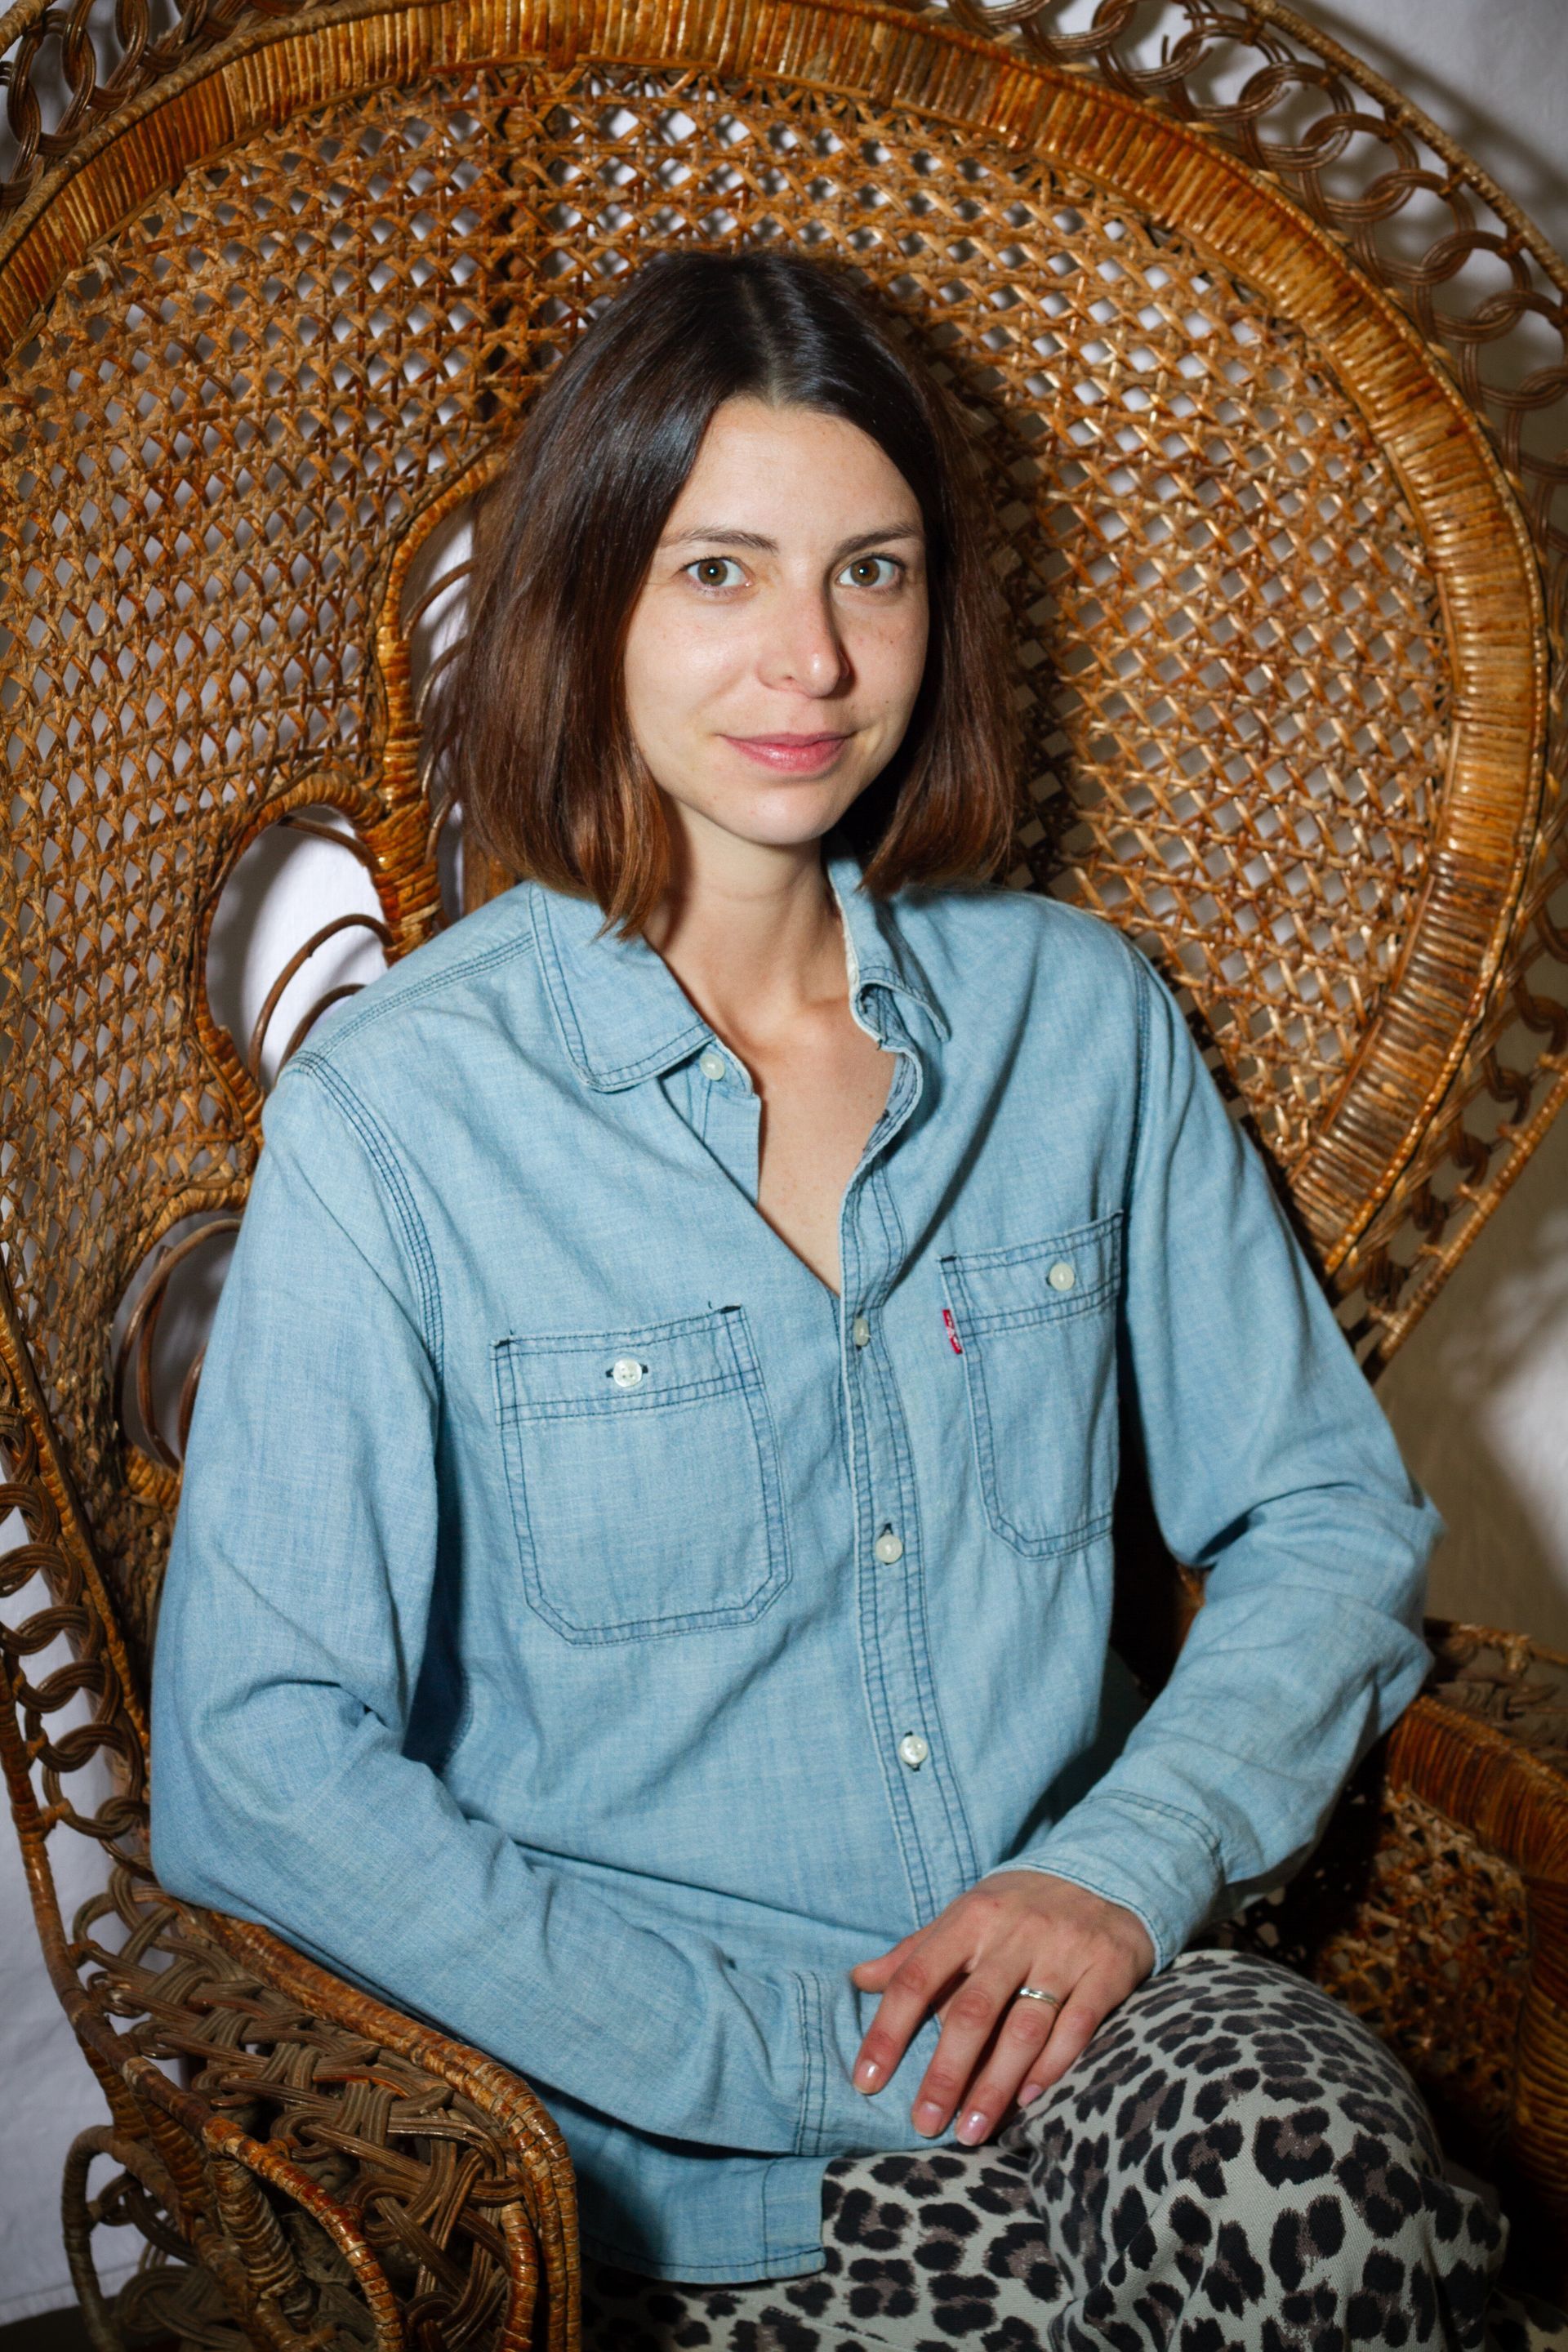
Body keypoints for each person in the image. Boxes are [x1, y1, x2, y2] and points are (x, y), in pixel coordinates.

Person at [148, 246, 1567, 2349]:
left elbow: (1323, 1519)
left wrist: (1123, 1867)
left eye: (873, 573)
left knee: (1339, 2215)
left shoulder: (1077, 1025)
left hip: (1102, 2016)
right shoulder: (402, 1121)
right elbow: (263, 1760)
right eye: (720, 572)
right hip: (644, 2151)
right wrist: (803, 2054)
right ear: (592, 600)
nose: (808, 658)